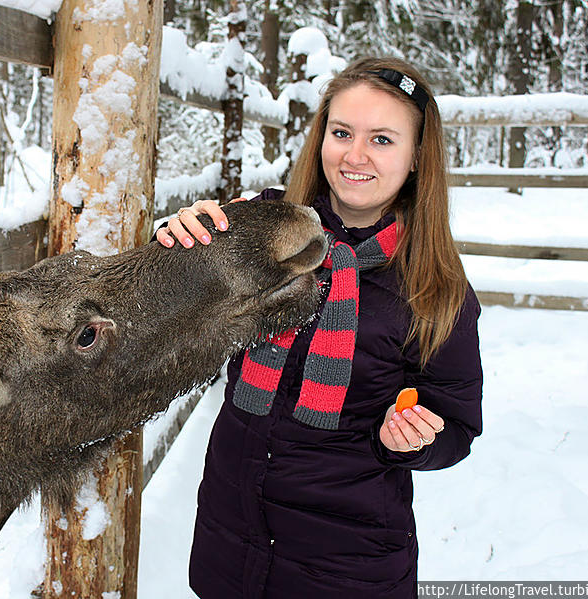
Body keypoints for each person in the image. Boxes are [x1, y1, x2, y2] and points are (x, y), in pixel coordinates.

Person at [157, 56, 483, 598]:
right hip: (230, 536)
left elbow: (456, 425)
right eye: (342, 132)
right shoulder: (260, 229)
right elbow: (166, 297)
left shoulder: (435, 288)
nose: (355, 156)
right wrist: (178, 238)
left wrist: (413, 443)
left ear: (418, 157)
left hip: (348, 561)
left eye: (382, 139)